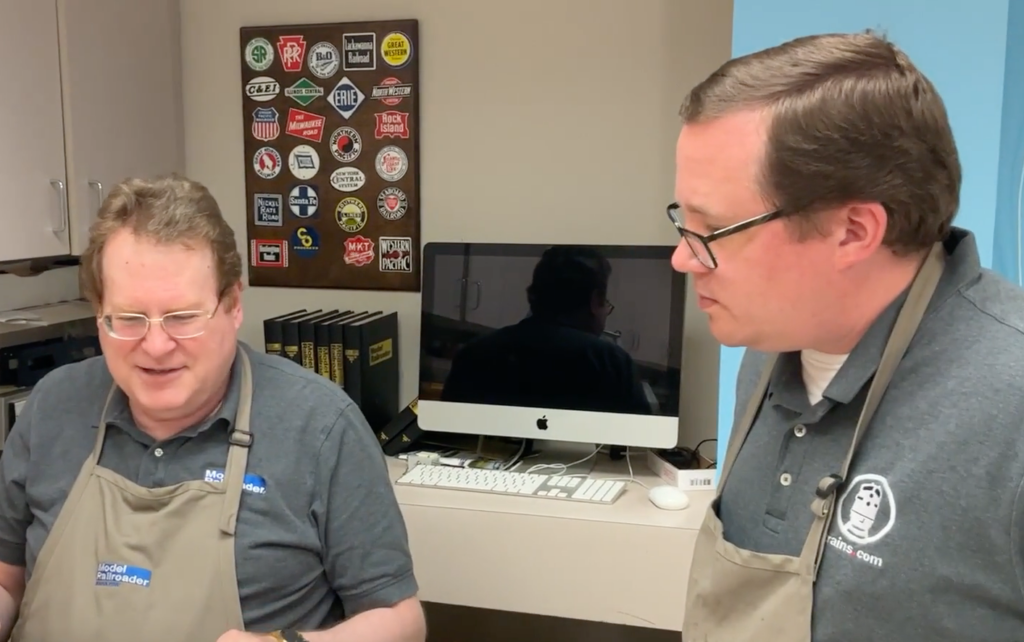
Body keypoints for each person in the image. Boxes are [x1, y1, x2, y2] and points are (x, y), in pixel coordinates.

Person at [670, 31, 1024, 642]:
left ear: (854, 231)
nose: (682, 259)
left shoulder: (1009, 405)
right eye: (683, 222)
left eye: (716, 230)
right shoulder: (769, 345)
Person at [0, 175, 426, 642]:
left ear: (233, 305)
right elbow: (7, 581)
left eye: (182, 317)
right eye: (129, 318)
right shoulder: (52, 406)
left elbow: (401, 620)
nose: (156, 345)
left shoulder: (320, 426)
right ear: (100, 311)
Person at [440, 246, 650, 416]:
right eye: (605, 303)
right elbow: (641, 439)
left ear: (531, 295)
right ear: (595, 301)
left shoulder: (474, 353)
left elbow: (447, 426)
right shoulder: (612, 362)